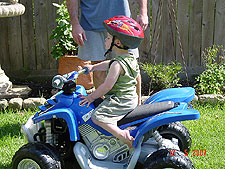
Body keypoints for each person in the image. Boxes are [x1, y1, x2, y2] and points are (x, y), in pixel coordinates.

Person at [79, 15, 144, 148]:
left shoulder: (117, 64)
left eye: (108, 37)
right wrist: (93, 68)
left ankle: (122, 136)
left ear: (117, 42)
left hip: (120, 101)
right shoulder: (129, 58)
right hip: (130, 99)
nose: (106, 39)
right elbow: (108, 64)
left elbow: (107, 86)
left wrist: (91, 97)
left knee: (97, 117)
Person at [66, 0, 148, 105]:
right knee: (98, 70)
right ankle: (104, 107)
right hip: (91, 24)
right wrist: (75, 24)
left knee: (131, 67)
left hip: (123, 25)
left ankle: (137, 110)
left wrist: (143, 12)